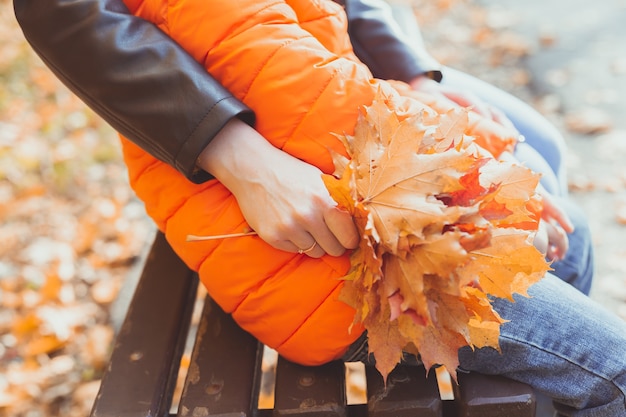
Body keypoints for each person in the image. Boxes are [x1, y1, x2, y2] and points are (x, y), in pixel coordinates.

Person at [13, 1, 623, 416]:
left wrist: (417, 78)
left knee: (544, 159)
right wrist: (483, 175)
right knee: (609, 362)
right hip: (317, 233)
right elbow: (300, 99)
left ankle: (535, 376)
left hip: (334, 93)